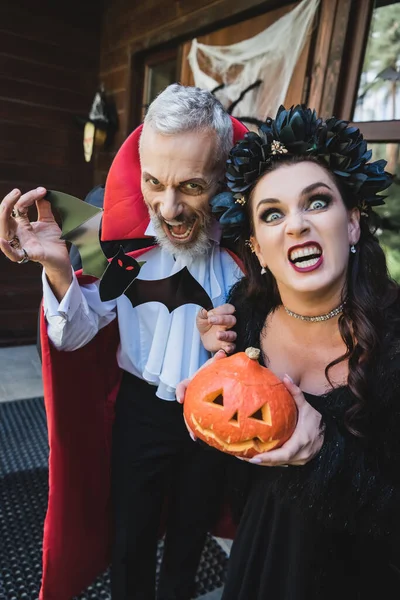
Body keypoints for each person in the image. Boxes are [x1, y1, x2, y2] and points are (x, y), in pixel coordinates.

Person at [0, 84, 250, 600]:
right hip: (142, 412)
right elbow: (74, 336)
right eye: (154, 182)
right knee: (130, 540)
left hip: (220, 413)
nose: (170, 207)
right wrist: (56, 268)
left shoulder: (248, 251)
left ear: (225, 178)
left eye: (193, 186)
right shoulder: (119, 245)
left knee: (190, 537)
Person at [178, 105, 400, 599]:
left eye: (317, 203)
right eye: (272, 213)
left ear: (354, 224)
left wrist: (322, 454)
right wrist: (208, 401)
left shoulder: (395, 341)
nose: (295, 226)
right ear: (256, 246)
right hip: (259, 557)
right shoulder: (242, 314)